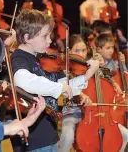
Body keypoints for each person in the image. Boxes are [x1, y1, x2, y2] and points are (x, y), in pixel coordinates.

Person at [11, 9, 99, 152]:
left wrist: (87, 75)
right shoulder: (20, 58)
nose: (50, 40)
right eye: (45, 36)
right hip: (33, 138)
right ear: (27, 38)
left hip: (49, 133)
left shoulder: (43, 59)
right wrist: (58, 88)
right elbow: (21, 79)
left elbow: (66, 86)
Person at [95, 33, 128, 152]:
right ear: (98, 49)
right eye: (108, 48)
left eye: (112, 47)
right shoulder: (95, 62)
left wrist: (123, 65)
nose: (111, 50)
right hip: (102, 104)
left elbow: (124, 77)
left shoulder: (114, 63)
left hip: (114, 104)